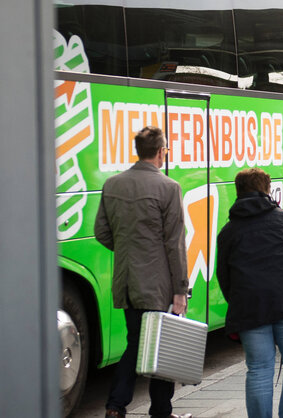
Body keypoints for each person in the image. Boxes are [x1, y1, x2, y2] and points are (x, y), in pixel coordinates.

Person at [95, 126, 191, 418]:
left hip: (126, 281)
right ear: (162, 152)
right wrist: (180, 289)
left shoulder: (113, 184)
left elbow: (101, 231)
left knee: (137, 340)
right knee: (157, 344)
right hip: (158, 284)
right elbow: (174, 243)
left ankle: (126, 406)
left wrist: (129, 251)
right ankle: (142, 408)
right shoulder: (169, 187)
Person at [217, 168, 283, 418]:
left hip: (249, 307)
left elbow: (224, 276)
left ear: (238, 192)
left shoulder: (228, 232)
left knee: (259, 368)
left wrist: (239, 299)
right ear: (267, 189)